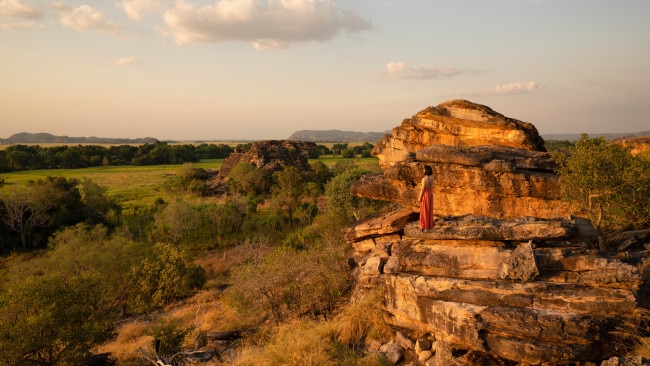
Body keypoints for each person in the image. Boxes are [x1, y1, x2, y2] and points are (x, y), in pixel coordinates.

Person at [418, 165, 434, 231]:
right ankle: (430, 224)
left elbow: (422, 189)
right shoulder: (432, 178)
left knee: (424, 209)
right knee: (429, 209)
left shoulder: (424, 179)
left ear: (426, 170)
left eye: (424, 169)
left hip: (425, 194)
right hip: (430, 194)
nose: (423, 170)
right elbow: (432, 187)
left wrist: (419, 197)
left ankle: (424, 225)